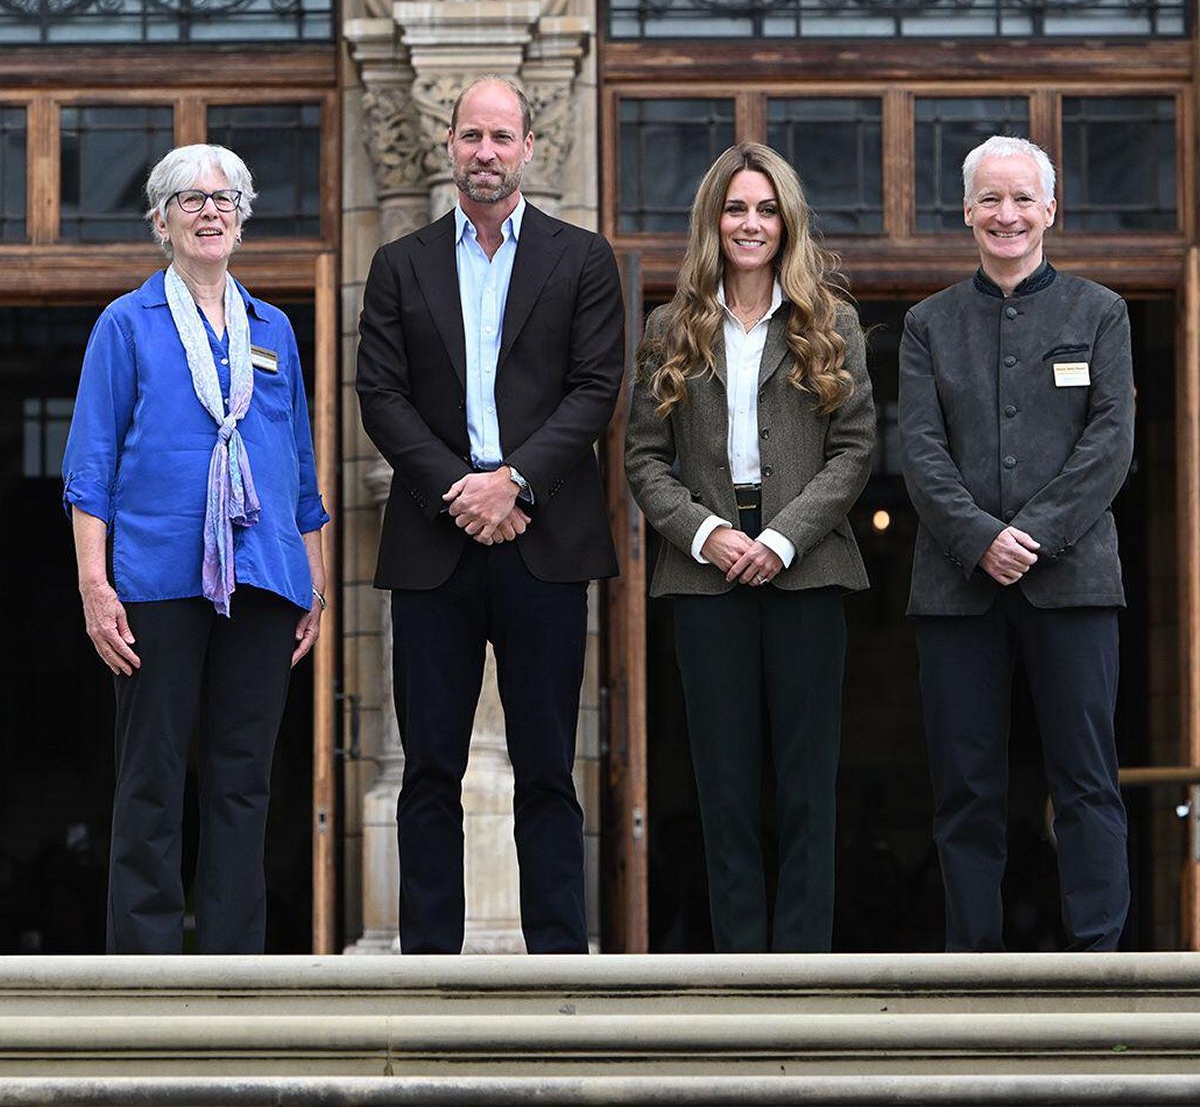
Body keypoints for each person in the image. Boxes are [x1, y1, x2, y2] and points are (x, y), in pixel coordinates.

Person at [356, 76, 625, 954]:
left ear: (529, 149)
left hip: (542, 540)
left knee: (550, 765)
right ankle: (427, 963)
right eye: (472, 136)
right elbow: (381, 397)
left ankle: (557, 962)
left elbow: (595, 390)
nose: (486, 152)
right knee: (429, 766)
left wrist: (512, 482)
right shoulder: (401, 264)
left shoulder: (581, 259)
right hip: (436, 543)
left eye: (501, 137)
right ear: (449, 145)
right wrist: (460, 490)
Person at [63, 144, 329, 954]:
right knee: (151, 773)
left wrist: (315, 583)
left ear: (242, 219)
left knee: (244, 779)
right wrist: (93, 585)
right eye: (190, 199)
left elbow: (301, 469)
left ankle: (232, 965)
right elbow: (89, 466)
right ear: (161, 221)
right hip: (155, 577)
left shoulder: (273, 327)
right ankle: (144, 965)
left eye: (225, 199)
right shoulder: (125, 323)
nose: (209, 211)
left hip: (264, 577)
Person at [624, 142, 874, 952]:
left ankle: (804, 966)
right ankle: (739, 964)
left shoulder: (830, 325)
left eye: (766, 209)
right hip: (705, 574)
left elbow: (856, 451)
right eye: (736, 209)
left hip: (807, 569)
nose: (751, 223)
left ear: (788, 221)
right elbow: (642, 458)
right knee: (722, 783)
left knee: (807, 783)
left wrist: (779, 538)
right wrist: (708, 533)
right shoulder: (670, 328)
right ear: (713, 221)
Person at [899, 134, 1134, 952]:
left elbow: (1110, 445)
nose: (1007, 214)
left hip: (1073, 585)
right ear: (966, 212)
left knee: (1086, 778)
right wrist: (980, 538)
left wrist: (1027, 535)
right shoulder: (928, 325)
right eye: (991, 200)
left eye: (1022, 199)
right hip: (956, 590)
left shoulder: (1101, 313)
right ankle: (974, 963)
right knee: (965, 787)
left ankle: (1100, 958)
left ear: (1050, 211)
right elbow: (919, 453)